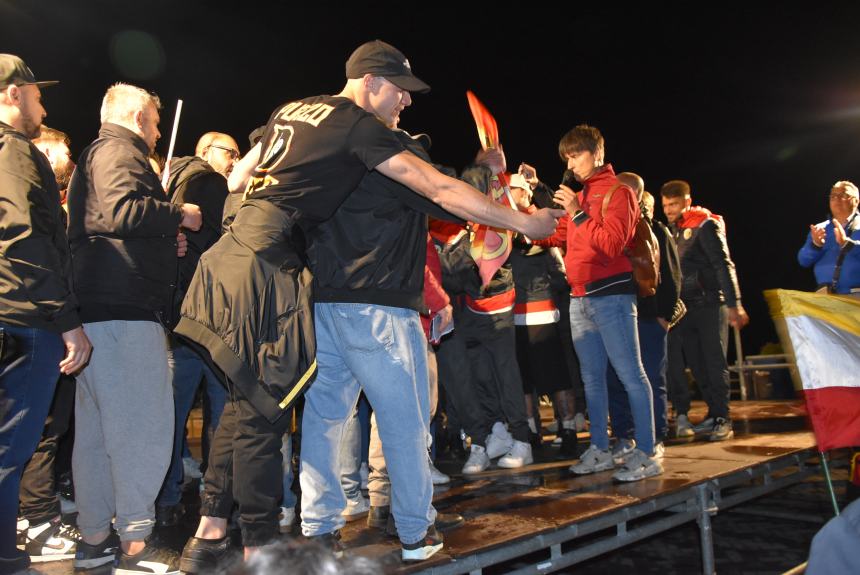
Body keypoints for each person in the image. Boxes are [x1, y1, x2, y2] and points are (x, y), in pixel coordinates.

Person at [175, 39, 561, 569]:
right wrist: (524, 222)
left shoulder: (291, 112)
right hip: (357, 301)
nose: (406, 103)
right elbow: (438, 189)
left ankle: (311, 527)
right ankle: (414, 531)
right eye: (401, 92)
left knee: (313, 416)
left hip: (269, 277)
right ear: (372, 82)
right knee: (400, 421)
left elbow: (239, 177)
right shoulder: (362, 131)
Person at [67, 82, 202, 575]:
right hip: (125, 313)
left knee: (100, 435)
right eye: (156, 121)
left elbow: (110, 222)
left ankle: (96, 539)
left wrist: (163, 244)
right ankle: (136, 546)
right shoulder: (119, 151)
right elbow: (123, 212)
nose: (159, 131)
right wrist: (178, 215)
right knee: (141, 429)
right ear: (138, 116)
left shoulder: (99, 153)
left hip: (102, 311)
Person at [0, 53, 92, 575]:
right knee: (13, 445)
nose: (43, 102)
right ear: (14, 93)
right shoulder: (14, 152)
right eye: (36, 93)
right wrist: (66, 321)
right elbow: (24, 239)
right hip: (22, 316)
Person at [546, 124, 662, 482]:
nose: (572, 162)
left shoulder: (619, 192)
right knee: (591, 380)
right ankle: (599, 447)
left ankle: (647, 451)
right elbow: (555, 235)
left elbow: (611, 244)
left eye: (576, 154)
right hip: (579, 298)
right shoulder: (578, 196)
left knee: (631, 374)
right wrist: (515, 221)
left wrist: (578, 211)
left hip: (612, 296)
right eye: (567, 156)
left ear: (597, 153)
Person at [155, 132, 239, 526]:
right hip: (211, 317)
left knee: (172, 412)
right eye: (230, 152)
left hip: (177, 317)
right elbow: (226, 245)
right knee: (221, 413)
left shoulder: (168, 179)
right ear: (206, 151)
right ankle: (215, 498)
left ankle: (167, 495)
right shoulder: (212, 183)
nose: (235, 160)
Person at [17, 126, 81, 563]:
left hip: (36, 318)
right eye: (62, 151)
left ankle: (29, 515)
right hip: (38, 320)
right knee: (42, 426)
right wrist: (66, 320)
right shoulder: (35, 205)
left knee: (41, 427)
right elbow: (41, 260)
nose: (68, 158)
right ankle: (37, 524)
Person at [661, 179, 748, 441]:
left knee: (714, 361)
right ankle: (712, 413)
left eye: (674, 204)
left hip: (710, 304)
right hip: (685, 310)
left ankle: (724, 417)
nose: (668, 210)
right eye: (665, 205)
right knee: (697, 365)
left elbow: (723, 264)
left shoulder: (705, 224)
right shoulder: (673, 230)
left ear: (687, 201)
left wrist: (735, 303)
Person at [606, 177, 683, 462]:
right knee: (615, 378)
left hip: (650, 318)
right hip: (616, 316)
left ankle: (655, 437)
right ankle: (625, 437)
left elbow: (673, 278)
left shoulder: (656, 231)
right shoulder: (612, 228)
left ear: (635, 194)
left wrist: (664, 316)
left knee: (651, 378)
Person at [798, 180, 860, 295]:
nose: (836, 199)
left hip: (856, 297)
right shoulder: (820, 228)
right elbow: (803, 261)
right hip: (825, 297)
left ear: (856, 201)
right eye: (833, 196)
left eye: (843, 195)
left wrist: (848, 244)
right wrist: (816, 245)